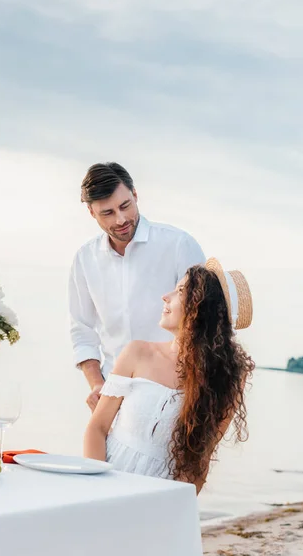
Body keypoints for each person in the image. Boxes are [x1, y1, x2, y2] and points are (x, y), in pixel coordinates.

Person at [83, 258, 254, 493]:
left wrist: (172, 506)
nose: (166, 296)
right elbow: (97, 428)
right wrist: (97, 488)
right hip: (107, 477)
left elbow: (200, 460)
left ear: (202, 307)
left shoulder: (226, 379)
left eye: (181, 291)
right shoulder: (137, 352)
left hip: (162, 493)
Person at [69, 162, 205, 411]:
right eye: (107, 213)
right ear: (91, 212)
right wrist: (97, 385)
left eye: (125, 206)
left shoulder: (179, 245)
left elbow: (205, 322)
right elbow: (82, 329)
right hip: (111, 397)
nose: (120, 219)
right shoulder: (85, 259)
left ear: (135, 194)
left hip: (174, 397)